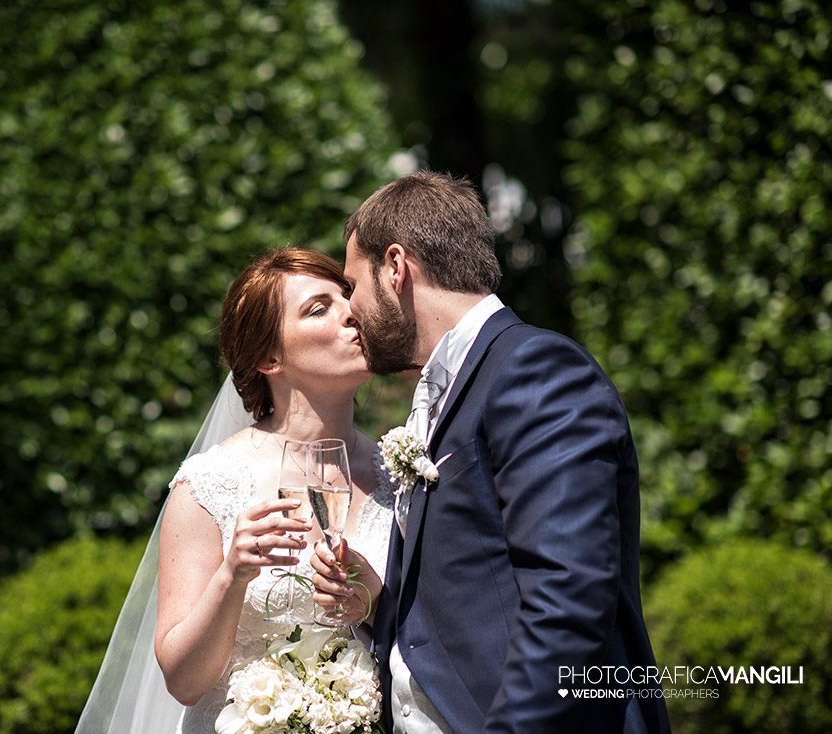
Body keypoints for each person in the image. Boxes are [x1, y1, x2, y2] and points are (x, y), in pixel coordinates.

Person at [311, 172, 671, 733]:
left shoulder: (537, 370)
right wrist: (380, 604)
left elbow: (567, 598)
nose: (351, 310)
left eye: (353, 285)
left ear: (396, 267)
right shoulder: (442, 388)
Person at [76, 247, 394, 734]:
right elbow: (183, 682)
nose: (352, 313)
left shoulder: (398, 475)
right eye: (318, 309)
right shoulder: (211, 483)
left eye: (346, 297)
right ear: (269, 358)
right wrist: (232, 575)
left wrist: (373, 601)